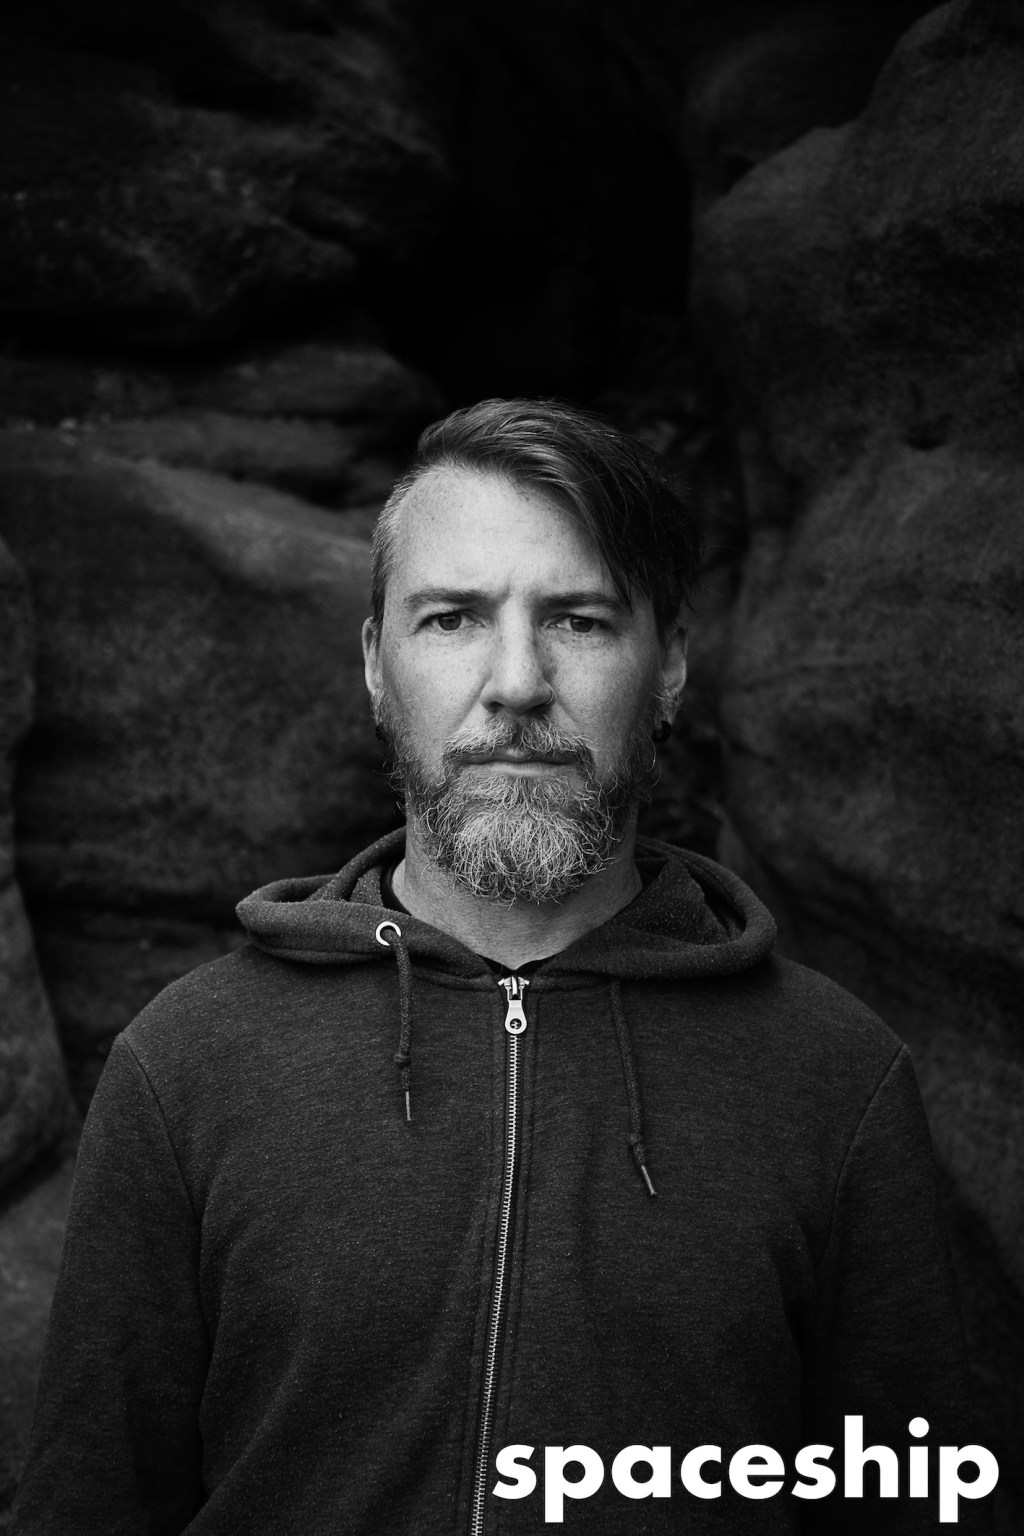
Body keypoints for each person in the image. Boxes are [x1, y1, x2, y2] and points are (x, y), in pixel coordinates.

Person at [10, 399, 991, 1535]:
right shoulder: (188, 1066)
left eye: (578, 619)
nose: (516, 683)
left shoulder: (833, 1081)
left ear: (670, 663)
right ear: (376, 665)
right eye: (452, 619)